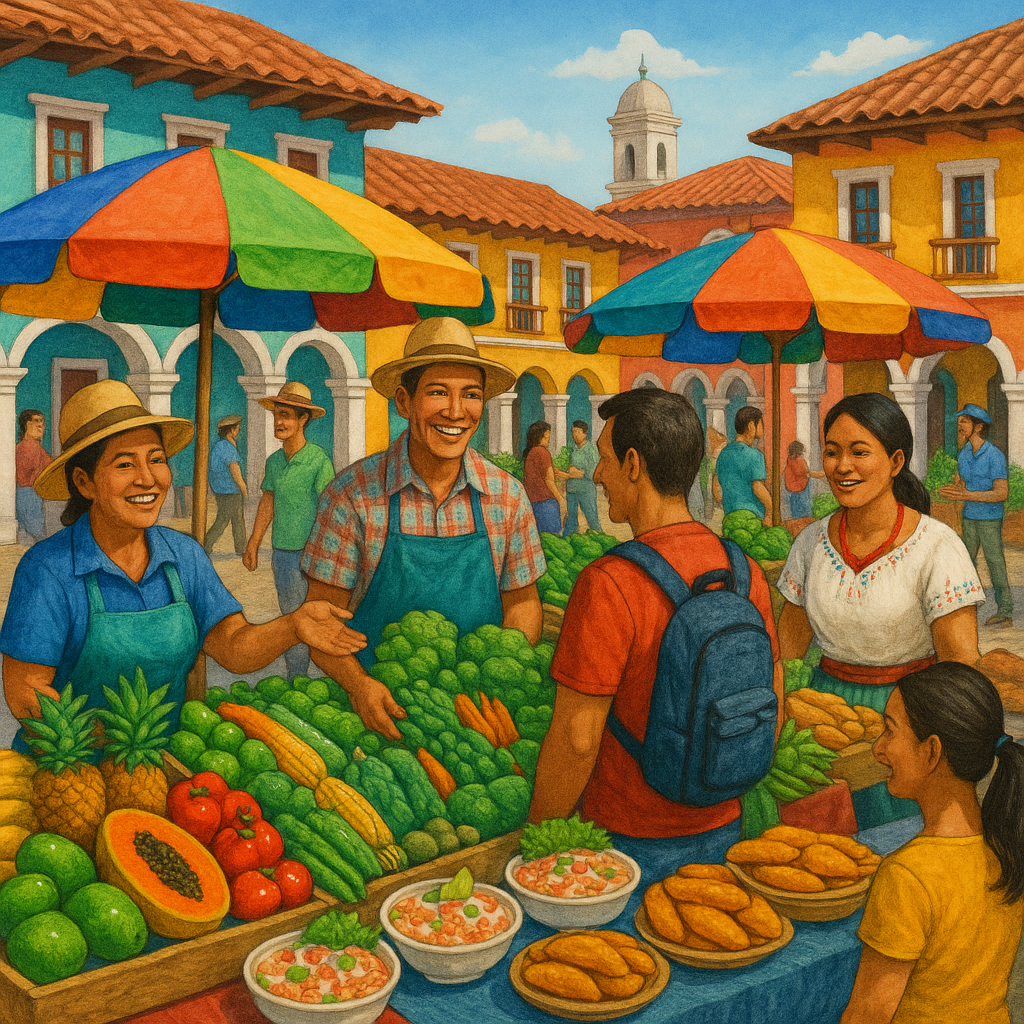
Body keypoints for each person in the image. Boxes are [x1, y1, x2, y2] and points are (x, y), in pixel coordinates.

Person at [0, 380, 363, 748]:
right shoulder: (47, 569)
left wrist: (293, 625)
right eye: (125, 464)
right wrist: (101, 746)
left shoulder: (184, 555)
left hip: (165, 767)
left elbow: (233, 646)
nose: (148, 478)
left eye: (156, 459)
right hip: (70, 769)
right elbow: (24, 692)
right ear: (85, 482)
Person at [528, 388, 782, 870]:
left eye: (603, 459)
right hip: (725, 823)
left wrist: (539, 840)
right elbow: (775, 704)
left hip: (625, 840)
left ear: (632, 464)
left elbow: (577, 740)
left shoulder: (608, 582)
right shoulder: (744, 572)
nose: (598, 474)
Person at [301, 317, 546, 739]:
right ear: (403, 401)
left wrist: (498, 680)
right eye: (437, 392)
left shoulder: (507, 497)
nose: (455, 412)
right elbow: (321, 621)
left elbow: (523, 604)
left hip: (478, 720)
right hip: (370, 716)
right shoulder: (351, 496)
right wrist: (360, 686)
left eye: (470, 395)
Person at [777, 392, 984, 826]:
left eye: (858, 452)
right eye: (831, 453)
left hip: (910, 723)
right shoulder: (810, 544)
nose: (842, 466)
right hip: (823, 720)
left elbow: (961, 671)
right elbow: (787, 653)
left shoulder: (937, 546)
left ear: (895, 462)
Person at [840, 662, 1024, 1024]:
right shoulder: (1007, 848)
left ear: (931, 751)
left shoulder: (907, 875)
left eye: (889, 732)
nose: (877, 749)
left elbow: (867, 1016)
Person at [244, 382, 335, 679]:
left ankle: (322, 677)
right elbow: (268, 502)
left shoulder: (318, 459)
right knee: (290, 619)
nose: (279, 422)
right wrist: (254, 543)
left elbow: (329, 510)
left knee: (315, 618)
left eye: (286, 415)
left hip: (313, 556)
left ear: (303, 419)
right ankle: (297, 679)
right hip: (282, 555)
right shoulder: (274, 462)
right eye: (276, 416)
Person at [939, 403, 1013, 627]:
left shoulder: (994, 455)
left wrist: (967, 495)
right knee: (965, 561)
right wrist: (956, 487)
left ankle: (1006, 610)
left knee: (995, 562)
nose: (959, 425)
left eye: (964, 421)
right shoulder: (963, 454)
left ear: (978, 427)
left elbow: (1002, 493)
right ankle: (967, 603)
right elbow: (965, 485)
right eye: (959, 421)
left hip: (989, 518)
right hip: (969, 516)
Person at [715, 405, 772, 525]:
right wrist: (770, 510)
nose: (763, 427)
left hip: (730, 517)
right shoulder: (755, 455)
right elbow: (758, 487)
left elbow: (716, 489)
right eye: (761, 423)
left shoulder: (724, 453)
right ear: (751, 425)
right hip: (752, 518)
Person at [204, 414, 248, 557]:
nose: (238, 432)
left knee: (237, 519)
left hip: (219, 490)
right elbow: (236, 475)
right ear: (232, 430)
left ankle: (241, 548)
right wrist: (245, 491)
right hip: (230, 491)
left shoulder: (218, 446)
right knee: (223, 520)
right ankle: (205, 545)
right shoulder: (229, 449)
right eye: (237, 429)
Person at [557, 420, 600, 536]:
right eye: (572, 432)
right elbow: (572, 469)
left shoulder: (591, 449)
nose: (574, 434)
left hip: (585, 490)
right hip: (572, 489)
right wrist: (571, 474)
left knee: (592, 518)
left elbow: (591, 472)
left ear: (584, 433)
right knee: (571, 520)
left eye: (577, 431)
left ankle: (600, 540)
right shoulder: (574, 450)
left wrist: (574, 472)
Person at [15, 409, 51, 545]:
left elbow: (51, 468)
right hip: (26, 496)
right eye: (36, 421)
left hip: (35, 496)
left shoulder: (38, 448)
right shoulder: (21, 448)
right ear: (26, 424)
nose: (40, 425)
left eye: (42, 421)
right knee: (36, 537)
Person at [523, 420, 565, 535]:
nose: (548, 440)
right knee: (553, 538)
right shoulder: (542, 452)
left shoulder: (531, 452)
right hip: (546, 503)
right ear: (539, 437)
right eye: (547, 438)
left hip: (533, 502)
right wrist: (560, 499)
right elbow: (549, 480)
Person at [783, 439, 824, 520]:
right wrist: (822, 474)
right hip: (801, 488)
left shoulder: (789, 460)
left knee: (795, 510)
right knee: (805, 508)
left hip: (792, 490)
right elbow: (806, 472)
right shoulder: (799, 460)